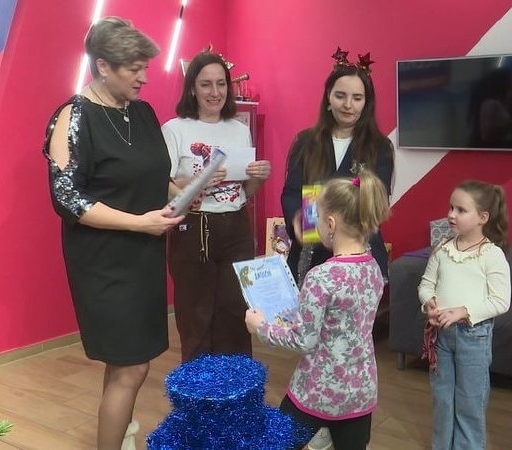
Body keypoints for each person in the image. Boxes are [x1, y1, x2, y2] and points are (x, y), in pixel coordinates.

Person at [42, 17, 183, 450]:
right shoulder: (73, 116)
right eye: (134, 69)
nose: (144, 78)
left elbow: (151, 174)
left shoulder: (142, 112)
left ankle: (120, 435)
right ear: (103, 66)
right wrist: (140, 223)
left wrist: (183, 191)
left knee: (127, 362)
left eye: (145, 67)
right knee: (132, 367)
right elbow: (68, 198)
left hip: (143, 256)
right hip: (103, 261)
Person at [245, 169, 391, 450]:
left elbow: (304, 340)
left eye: (318, 218)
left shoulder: (321, 276)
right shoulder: (373, 268)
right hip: (360, 391)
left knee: (276, 443)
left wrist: (260, 326)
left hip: (317, 391)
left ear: (331, 223)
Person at [162, 51, 271, 361]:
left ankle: (235, 388)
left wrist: (258, 178)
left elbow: (244, 192)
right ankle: (198, 389)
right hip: (193, 227)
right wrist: (200, 180)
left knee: (236, 312)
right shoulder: (174, 129)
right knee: (195, 316)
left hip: (236, 225)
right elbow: (164, 188)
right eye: (205, 84)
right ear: (192, 89)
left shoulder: (239, 129)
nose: (215, 92)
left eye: (221, 84)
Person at [281, 48, 394, 286]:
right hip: (310, 254)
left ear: (366, 103)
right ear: (328, 98)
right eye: (340, 96)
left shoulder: (380, 147)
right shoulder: (305, 141)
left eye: (357, 98)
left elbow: (377, 200)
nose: (348, 105)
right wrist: (300, 220)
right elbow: (292, 193)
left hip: (358, 255)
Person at [418, 180, 511, 450]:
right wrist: (429, 303)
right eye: (451, 207)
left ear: (483, 218)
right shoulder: (443, 249)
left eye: (460, 210)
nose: (451, 214)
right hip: (441, 337)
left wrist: (463, 311)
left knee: (470, 401)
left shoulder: (492, 255)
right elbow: (426, 284)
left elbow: (500, 301)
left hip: (474, 338)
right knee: (442, 398)